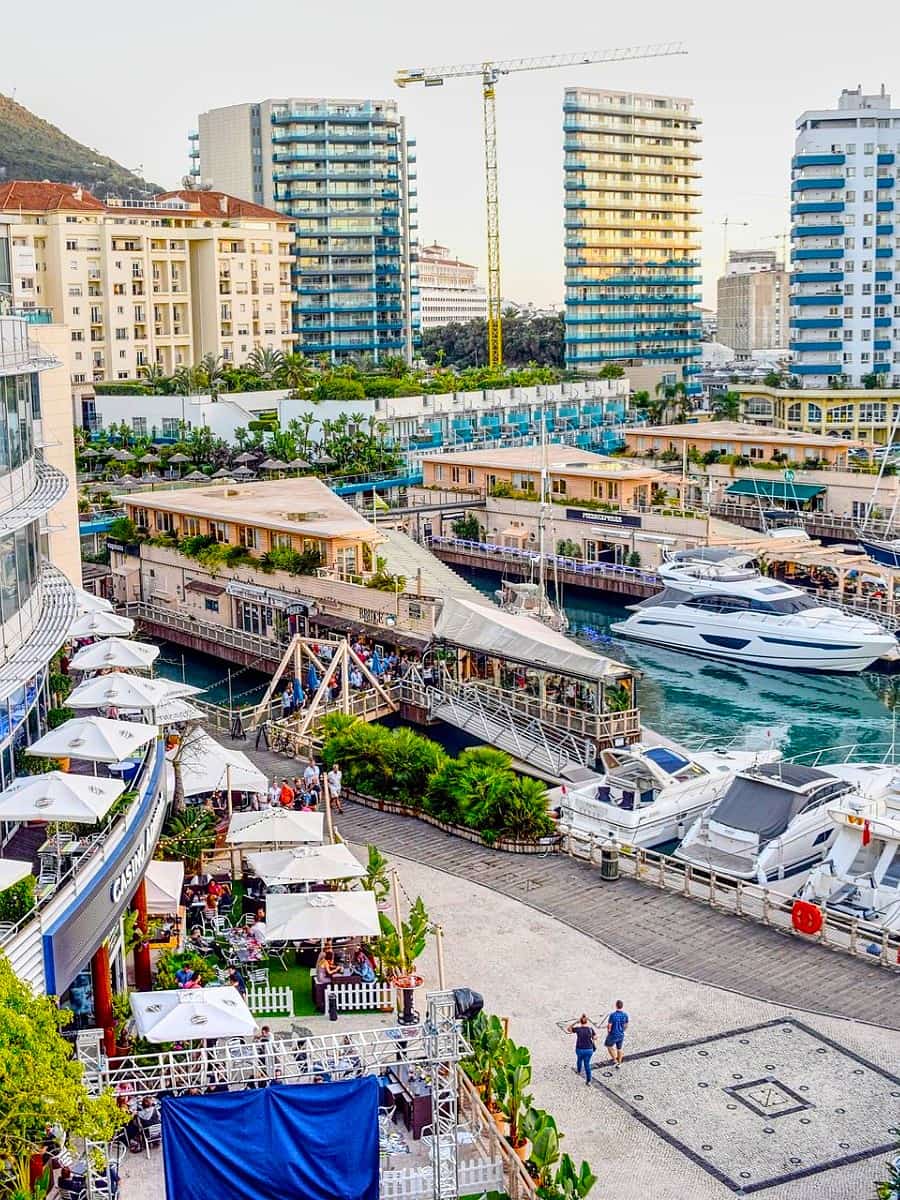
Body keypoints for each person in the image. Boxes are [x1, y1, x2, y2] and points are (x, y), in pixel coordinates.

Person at [567, 1014, 597, 1086]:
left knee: (579, 1059)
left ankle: (579, 1071)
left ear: (580, 1022)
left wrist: (575, 1022)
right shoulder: (590, 1029)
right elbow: (595, 1037)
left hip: (580, 1049)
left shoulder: (578, 1029)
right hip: (589, 1049)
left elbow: (569, 1029)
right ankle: (588, 1081)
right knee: (587, 1065)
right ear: (587, 1022)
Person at [604, 1000, 629, 1067]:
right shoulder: (625, 1015)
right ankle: (619, 1063)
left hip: (613, 1034)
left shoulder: (612, 1015)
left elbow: (609, 1026)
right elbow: (626, 1025)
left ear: (616, 1005)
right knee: (619, 1048)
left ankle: (615, 1060)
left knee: (609, 1046)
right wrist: (622, 1030)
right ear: (622, 1006)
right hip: (621, 1034)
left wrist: (609, 1032)